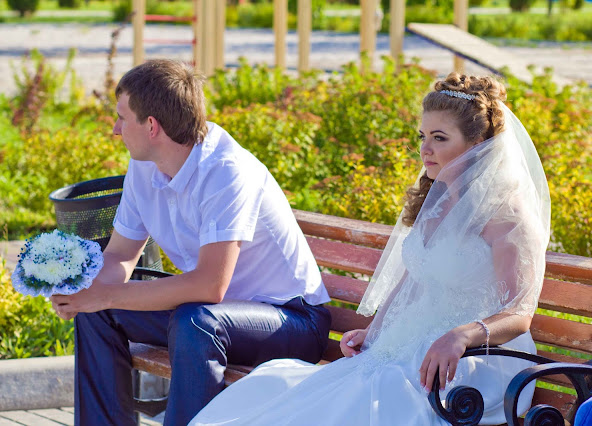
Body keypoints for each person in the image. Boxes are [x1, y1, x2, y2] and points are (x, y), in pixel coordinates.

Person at [190, 73, 552, 425]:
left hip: (478, 363)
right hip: (416, 348)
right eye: (423, 136)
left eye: (439, 138)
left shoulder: (507, 218)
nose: (425, 149)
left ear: (478, 145)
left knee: (356, 400)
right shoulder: (439, 205)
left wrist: (461, 335)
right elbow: (414, 280)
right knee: (282, 392)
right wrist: (374, 333)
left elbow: (518, 314)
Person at [49, 59, 332, 426]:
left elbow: (209, 286)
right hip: (213, 317)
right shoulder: (144, 166)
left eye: (121, 118)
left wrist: (106, 295)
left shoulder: (226, 171)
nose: (115, 129)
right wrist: (84, 294)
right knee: (99, 312)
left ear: (152, 126)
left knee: (195, 320)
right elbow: (120, 255)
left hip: (291, 320)